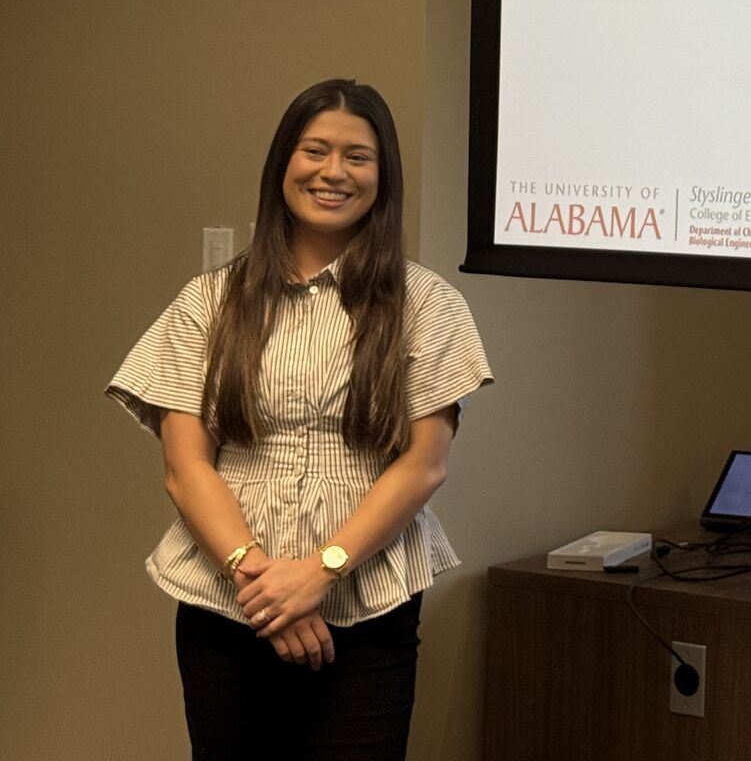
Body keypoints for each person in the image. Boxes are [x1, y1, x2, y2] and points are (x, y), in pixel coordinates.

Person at [108, 79, 491, 761]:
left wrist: (321, 572)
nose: (334, 172)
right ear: (283, 162)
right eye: (315, 150)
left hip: (370, 607)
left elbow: (424, 463)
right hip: (225, 607)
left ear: (383, 174)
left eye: (358, 156)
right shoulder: (210, 301)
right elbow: (185, 466)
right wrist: (259, 582)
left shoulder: (428, 304)